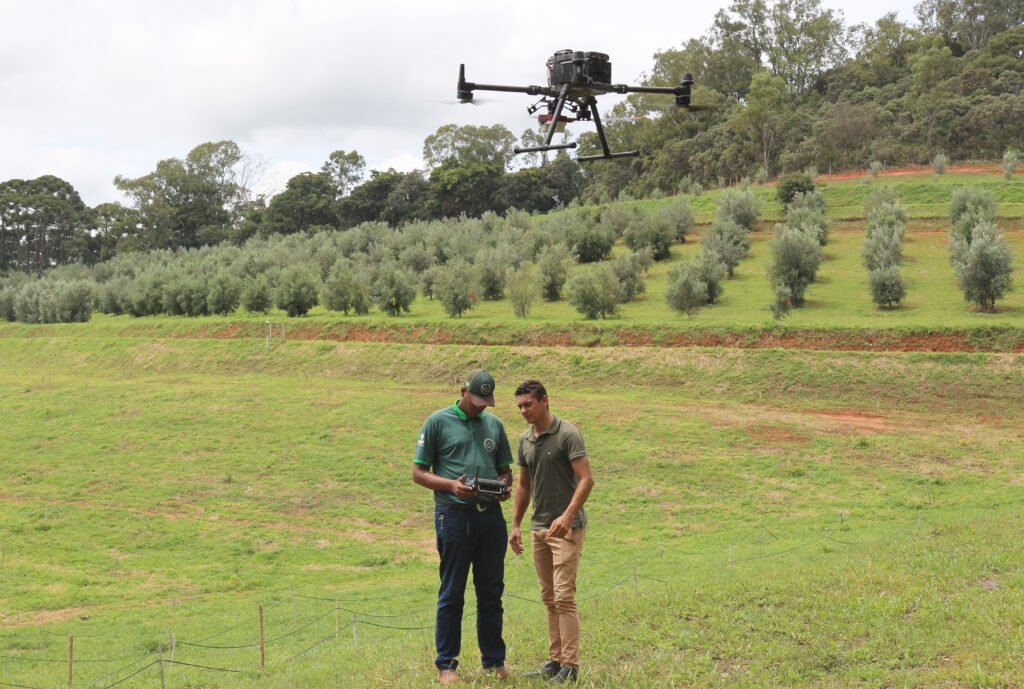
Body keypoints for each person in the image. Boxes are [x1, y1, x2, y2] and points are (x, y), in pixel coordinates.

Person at [412, 369, 514, 685]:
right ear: (462, 392)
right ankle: (446, 665)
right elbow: (418, 472)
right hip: (454, 516)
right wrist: (451, 485)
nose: (480, 407)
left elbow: (505, 469)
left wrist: (504, 486)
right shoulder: (437, 422)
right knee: (452, 591)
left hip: (491, 516)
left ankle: (494, 660)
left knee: (491, 591)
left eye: (486, 402)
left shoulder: (494, 425)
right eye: (476, 401)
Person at [510, 380, 595, 684]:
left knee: (564, 596)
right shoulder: (524, 440)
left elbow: (586, 479)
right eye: (520, 406)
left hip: (567, 529)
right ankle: (555, 660)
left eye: (528, 404)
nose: (524, 410)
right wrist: (516, 524)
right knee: (548, 597)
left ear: (544, 401)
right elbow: (523, 485)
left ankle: (570, 666)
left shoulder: (567, 434)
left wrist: (567, 516)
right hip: (539, 528)